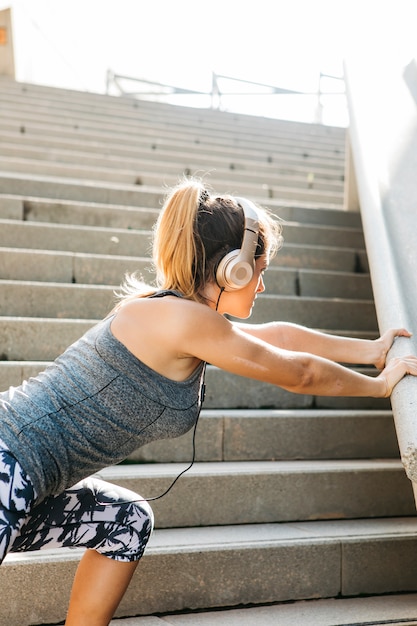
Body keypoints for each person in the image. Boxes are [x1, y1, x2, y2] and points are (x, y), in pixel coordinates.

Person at [1, 176, 416, 626]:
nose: (261, 284)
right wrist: (380, 387)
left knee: (126, 522)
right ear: (232, 268)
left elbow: (278, 337)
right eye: (259, 270)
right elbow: (300, 373)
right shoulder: (180, 319)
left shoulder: (186, 317)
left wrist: (371, 352)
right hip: (8, 463)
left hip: (32, 481)